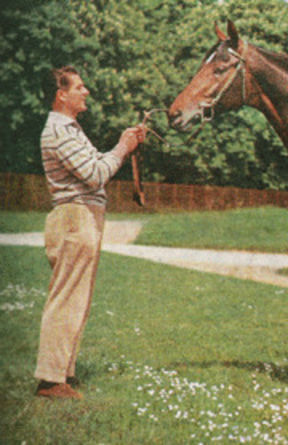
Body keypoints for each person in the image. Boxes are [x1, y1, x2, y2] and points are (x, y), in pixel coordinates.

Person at [34, 66, 146, 399]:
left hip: (82, 216)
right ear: (61, 95)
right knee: (67, 299)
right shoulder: (59, 131)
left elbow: (97, 161)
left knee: (77, 300)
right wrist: (123, 146)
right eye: (79, 87)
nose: (86, 92)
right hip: (75, 217)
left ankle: (62, 374)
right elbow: (96, 174)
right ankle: (50, 380)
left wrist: (125, 145)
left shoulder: (70, 129)